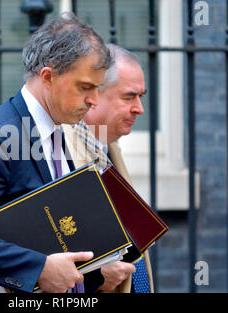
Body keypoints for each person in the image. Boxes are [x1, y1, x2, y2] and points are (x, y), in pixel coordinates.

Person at [0, 13, 124, 293]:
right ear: (48, 77)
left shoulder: (57, 131)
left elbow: (47, 235)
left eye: (97, 88)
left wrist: (93, 273)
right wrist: (39, 268)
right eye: (85, 87)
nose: (93, 100)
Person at [64, 44, 153, 293]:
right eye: (129, 96)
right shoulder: (59, 151)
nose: (139, 108)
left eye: (140, 97)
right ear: (94, 94)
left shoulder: (108, 147)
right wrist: (95, 275)